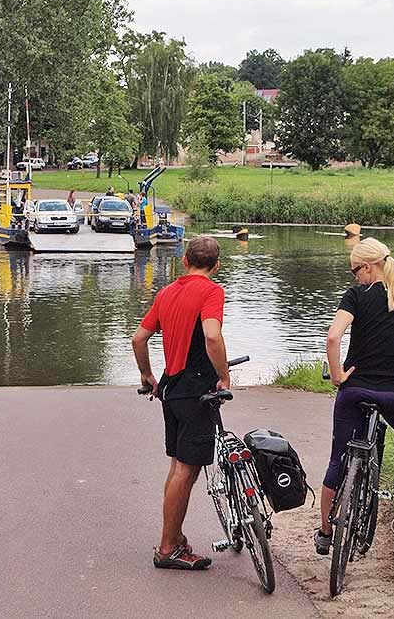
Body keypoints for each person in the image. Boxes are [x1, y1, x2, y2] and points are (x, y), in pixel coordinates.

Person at [314, 237, 394, 555]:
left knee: (338, 458)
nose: (355, 277)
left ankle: (325, 532)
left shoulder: (356, 296)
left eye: (355, 271)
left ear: (370, 266)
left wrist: (337, 375)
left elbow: (333, 337)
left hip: (354, 390)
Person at [132, 236, 230, 571]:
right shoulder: (211, 291)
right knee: (186, 471)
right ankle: (168, 547)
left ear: (185, 260)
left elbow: (139, 338)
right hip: (196, 391)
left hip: (170, 390)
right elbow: (212, 335)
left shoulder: (166, 292)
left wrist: (147, 375)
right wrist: (224, 376)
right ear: (216, 266)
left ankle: (173, 537)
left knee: (177, 468)